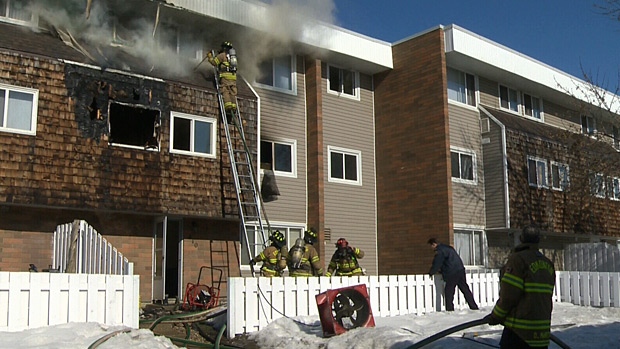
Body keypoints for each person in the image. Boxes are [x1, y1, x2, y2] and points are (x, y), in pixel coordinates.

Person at [485, 225, 556, 348]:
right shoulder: (548, 264)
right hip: (541, 334)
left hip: (519, 333)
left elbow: (509, 296)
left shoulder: (518, 260)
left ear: (522, 239)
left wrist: (496, 316)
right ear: (538, 240)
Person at [428, 237, 479, 311]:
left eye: (431, 246)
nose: (431, 248)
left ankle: (449, 309)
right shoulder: (448, 248)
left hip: (452, 272)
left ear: (434, 244)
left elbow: (437, 262)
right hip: (460, 270)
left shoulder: (440, 251)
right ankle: (473, 306)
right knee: (465, 289)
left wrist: (431, 272)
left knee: (449, 291)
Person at [207, 41, 238, 112]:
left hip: (225, 77)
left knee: (225, 90)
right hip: (233, 77)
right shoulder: (233, 57)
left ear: (224, 48)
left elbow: (214, 63)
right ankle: (233, 106)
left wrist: (210, 57)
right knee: (232, 92)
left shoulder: (222, 55)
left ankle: (228, 105)